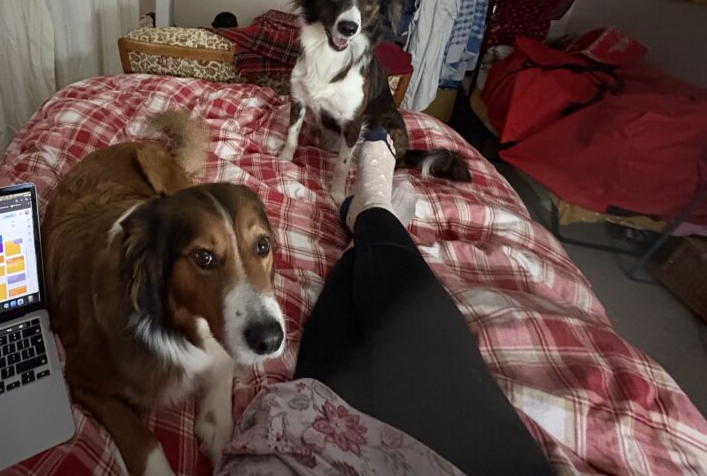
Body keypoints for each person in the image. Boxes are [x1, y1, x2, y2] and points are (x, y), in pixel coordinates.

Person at [217, 128, 555, 476]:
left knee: (321, 410)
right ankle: (374, 211)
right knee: (425, 351)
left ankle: (372, 212)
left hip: (307, 446)